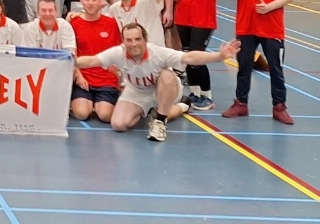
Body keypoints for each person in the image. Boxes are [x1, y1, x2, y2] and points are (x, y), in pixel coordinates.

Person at [76, 23, 236, 141]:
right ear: (123, 41)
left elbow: (189, 57)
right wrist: (70, 60)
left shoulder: (158, 53)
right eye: (129, 40)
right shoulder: (118, 53)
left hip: (164, 89)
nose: (133, 43)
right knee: (119, 125)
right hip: (137, 91)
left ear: (145, 39)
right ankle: (171, 108)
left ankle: (161, 119)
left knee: (167, 74)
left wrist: (219, 56)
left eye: (137, 39)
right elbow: (92, 60)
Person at [223, 0, 296, 124]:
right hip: (246, 26)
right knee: (244, 67)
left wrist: (270, 6)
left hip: (272, 28)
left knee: (276, 69)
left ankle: (279, 107)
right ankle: (241, 104)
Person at [167, 0, 234, 112]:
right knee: (188, 57)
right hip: (183, 18)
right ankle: (195, 93)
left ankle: (207, 96)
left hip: (203, 19)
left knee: (197, 57)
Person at [69, 0, 122, 123]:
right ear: (81, 2)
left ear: (100, 2)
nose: (90, 3)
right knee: (81, 114)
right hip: (84, 78)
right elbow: (71, 53)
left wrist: (119, 76)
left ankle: (101, 104)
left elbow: (118, 51)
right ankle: (86, 104)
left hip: (106, 79)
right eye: (87, 0)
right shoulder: (74, 23)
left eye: (94, 0)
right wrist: (78, 75)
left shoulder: (111, 23)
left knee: (104, 115)